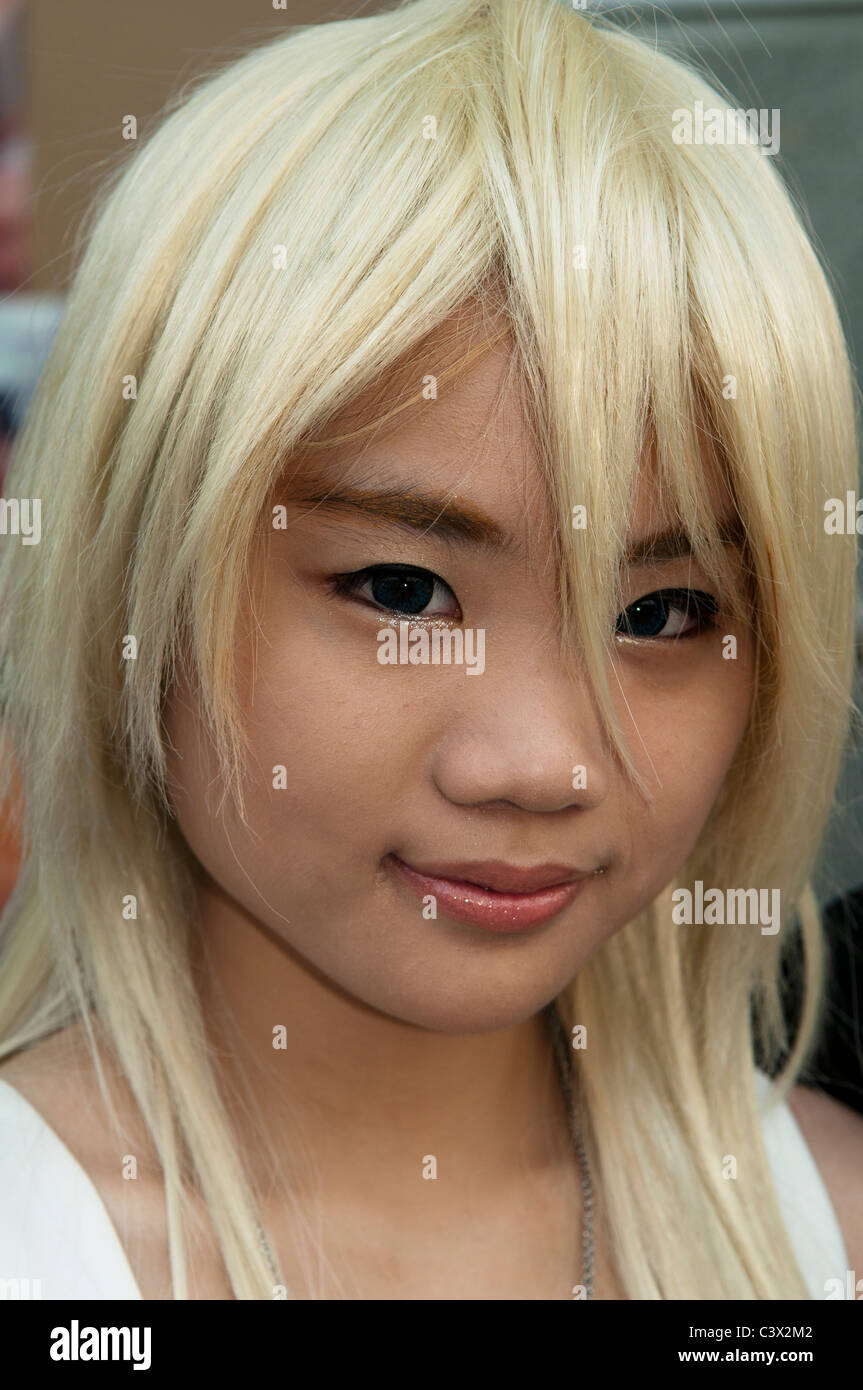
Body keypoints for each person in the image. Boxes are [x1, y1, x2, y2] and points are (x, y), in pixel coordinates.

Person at [0, 0, 861, 1301]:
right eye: (403, 589)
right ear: (138, 584)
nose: (541, 763)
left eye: (663, 613)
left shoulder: (831, 1227)